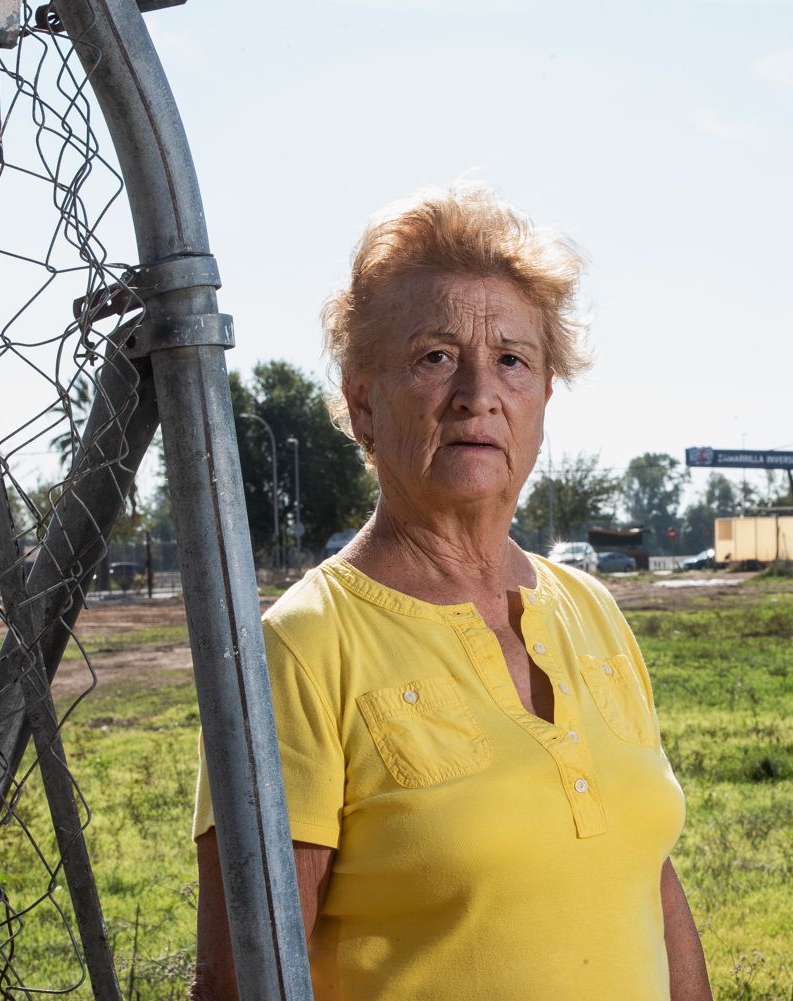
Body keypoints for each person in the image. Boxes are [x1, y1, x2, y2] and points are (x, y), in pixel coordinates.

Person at [189, 185, 712, 1001]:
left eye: (513, 358)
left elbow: (650, 882)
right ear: (363, 402)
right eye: (435, 356)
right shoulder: (298, 650)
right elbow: (238, 982)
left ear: (544, 397)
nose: (479, 392)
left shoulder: (593, 612)